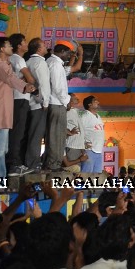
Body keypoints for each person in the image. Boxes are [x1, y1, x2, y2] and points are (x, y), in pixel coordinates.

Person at [0, 36, 36, 179]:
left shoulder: (1, 64)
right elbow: (11, 78)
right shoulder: (0, 65)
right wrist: (25, 86)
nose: (11, 47)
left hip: (2, 111)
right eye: (8, 45)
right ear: (2, 49)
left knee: (1, 149)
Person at [7, 32, 36, 175]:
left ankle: (14, 163)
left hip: (16, 98)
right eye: (24, 42)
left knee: (16, 132)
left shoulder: (13, 59)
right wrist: (32, 84)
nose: (27, 44)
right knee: (17, 133)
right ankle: (14, 165)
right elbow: (30, 79)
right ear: (19, 46)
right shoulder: (18, 59)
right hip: (19, 97)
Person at [45, 41, 74, 171]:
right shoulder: (55, 64)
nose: (69, 56)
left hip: (57, 102)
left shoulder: (55, 63)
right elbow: (58, 87)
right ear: (62, 51)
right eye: (68, 53)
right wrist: (67, 100)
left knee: (57, 135)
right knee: (56, 136)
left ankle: (54, 163)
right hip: (57, 103)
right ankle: (53, 164)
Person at [25, 37, 50, 171]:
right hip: (39, 104)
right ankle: (33, 163)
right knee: (36, 134)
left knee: (33, 133)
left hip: (32, 102)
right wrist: (45, 102)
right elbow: (43, 84)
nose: (46, 47)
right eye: (44, 45)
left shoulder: (29, 61)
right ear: (39, 49)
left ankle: (31, 162)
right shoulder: (39, 63)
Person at [80, 96, 106, 174]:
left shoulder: (98, 117)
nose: (98, 102)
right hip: (89, 150)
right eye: (95, 101)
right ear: (89, 104)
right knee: (86, 177)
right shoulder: (85, 116)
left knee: (96, 178)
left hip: (99, 151)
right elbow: (79, 132)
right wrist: (83, 146)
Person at [63, 94, 89, 173]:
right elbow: (61, 126)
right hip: (72, 146)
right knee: (72, 170)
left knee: (77, 173)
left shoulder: (76, 111)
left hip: (79, 147)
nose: (78, 99)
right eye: (75, 98)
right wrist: (69, 132)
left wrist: (82, 148)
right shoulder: (65, 111)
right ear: (69, 100)